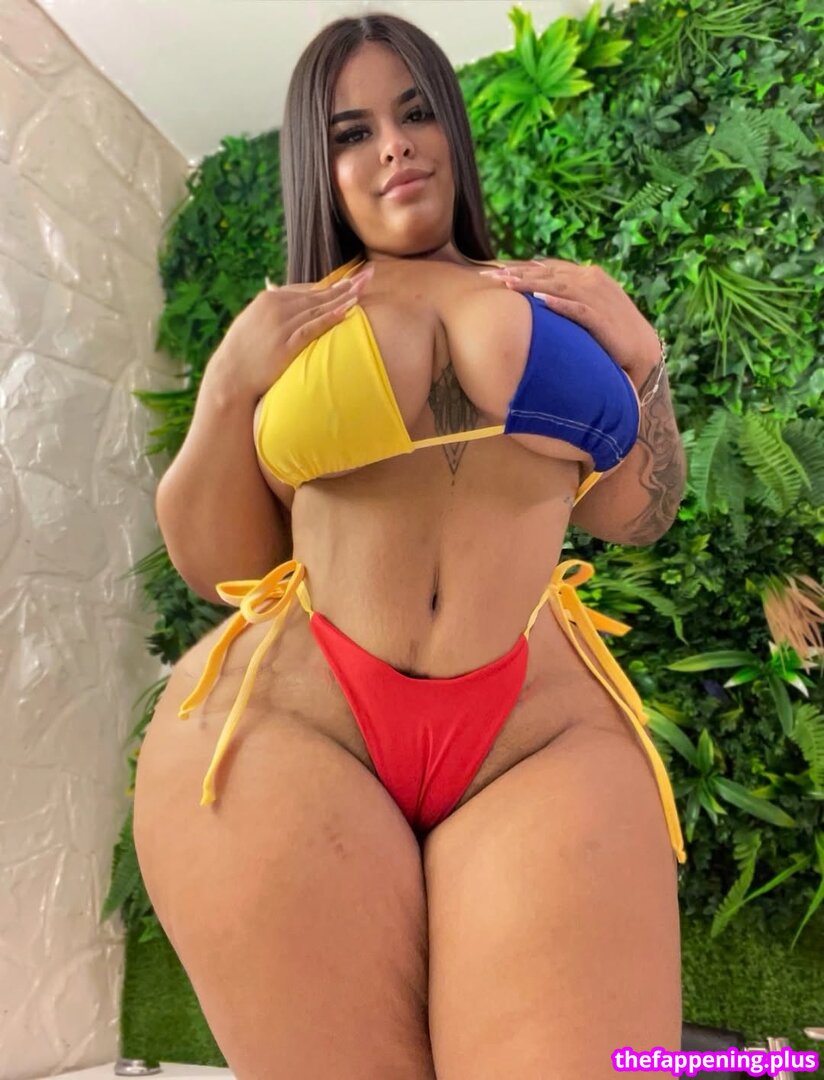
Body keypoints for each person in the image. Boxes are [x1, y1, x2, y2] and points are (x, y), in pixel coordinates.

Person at [133, 12, 688, 1079]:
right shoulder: (286, 328)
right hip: (300, 720)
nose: (392, 145)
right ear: (322, 166)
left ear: (451, 132)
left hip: (532, 732)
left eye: (415, 112)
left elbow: (637, 514)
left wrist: (644, 362)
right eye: (352, 132)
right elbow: (218, 568)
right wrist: (227, 384)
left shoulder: (556, 301)